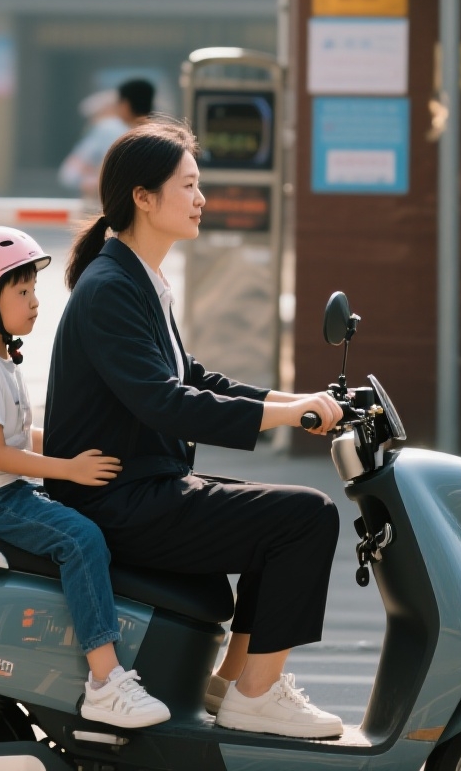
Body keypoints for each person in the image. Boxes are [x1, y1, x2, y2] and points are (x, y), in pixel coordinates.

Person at [43, 121, 347, 739]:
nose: (201, 198)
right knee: (306, 518)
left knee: (278, 517)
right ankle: (257, 696)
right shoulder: (110, 288)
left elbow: (195, 377)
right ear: (143, 198)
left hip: (139, 487)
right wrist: (288, 414)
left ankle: (231, 683)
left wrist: (298, 401)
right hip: (116, 500)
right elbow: (167, 403)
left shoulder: (138, 279)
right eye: (188, 185)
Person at [0, 227, 170, 729]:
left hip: (1, 489)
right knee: (81, 538)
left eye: (33, 290)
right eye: (21, 293)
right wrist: (69, 470)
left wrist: (75, 451)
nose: (35, 302)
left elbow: (21, 436)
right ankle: (105, 680)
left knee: (91, 517)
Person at [57, 88, 127, 201]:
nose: (91, 121)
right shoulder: (122, 128)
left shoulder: (107, 127)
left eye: (94, 115)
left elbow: (69, 174)